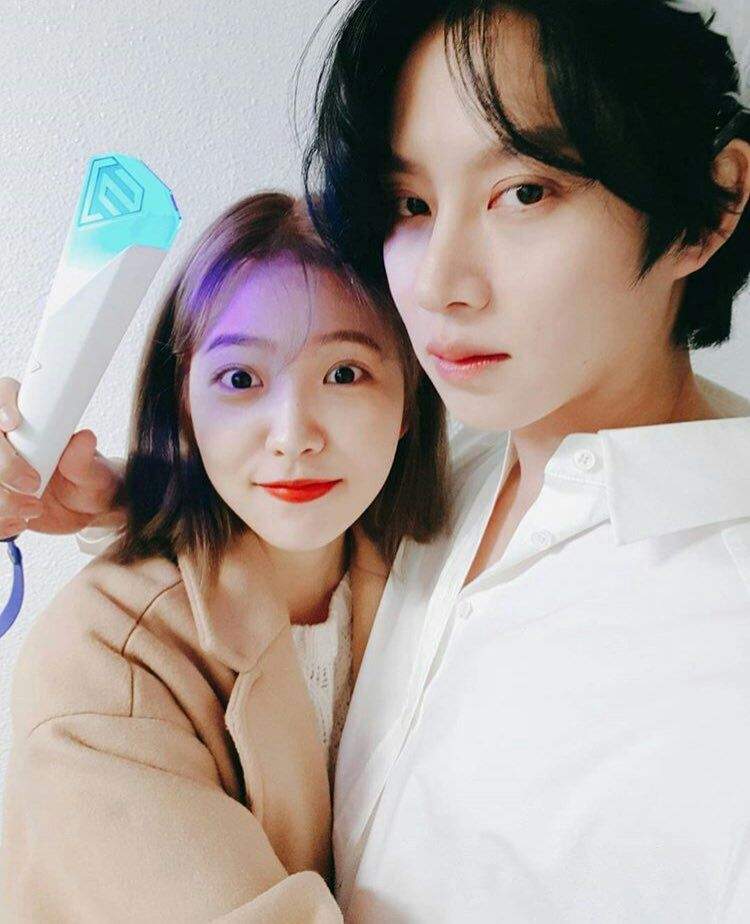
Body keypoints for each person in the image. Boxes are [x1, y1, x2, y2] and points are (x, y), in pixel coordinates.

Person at [2, 0, 750, 920]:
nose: (437, 284)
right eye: (410, 205)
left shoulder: (719, 642)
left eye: (525, 192)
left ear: (710, 206)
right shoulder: (451, 474)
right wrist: (123, 488)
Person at [0, 191, 449, 921]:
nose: (294, 436)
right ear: (183, 403)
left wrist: (130, 488)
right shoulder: (108, 659)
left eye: (344, 373)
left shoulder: (442, 549)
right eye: (241, 379)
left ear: (409, 400)